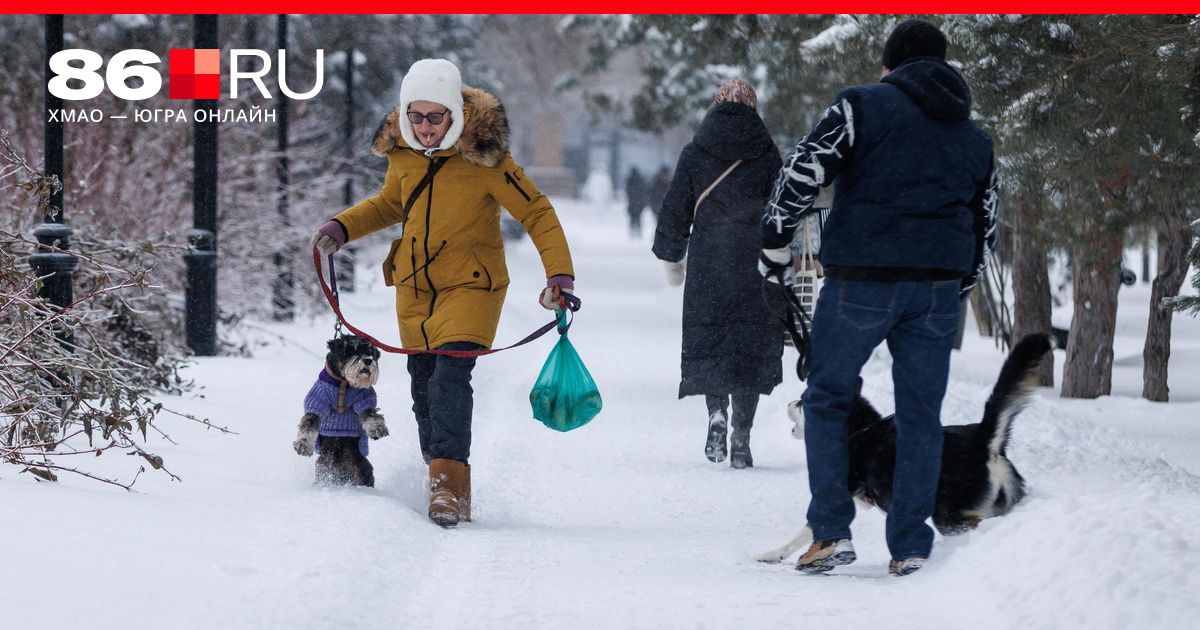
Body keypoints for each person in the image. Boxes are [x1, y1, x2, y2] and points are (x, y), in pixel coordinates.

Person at [758, 20, 999, 575]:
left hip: (862, 279)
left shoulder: (860, 105)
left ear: (890, 67)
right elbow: (986, 219)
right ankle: (911, 545)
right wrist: (960, 281)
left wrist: (773, 240)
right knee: (920, 416)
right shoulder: (976, 136)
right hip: (937, 286)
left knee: (827, 400)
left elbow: (803, 168)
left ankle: (831, 534)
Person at [311, 59, 575, 528]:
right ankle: (438, 472)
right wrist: (344, 225)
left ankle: (448, 491)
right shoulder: (402, 154)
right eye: (416, 115)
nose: (425, 127)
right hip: (415, 291)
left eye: (436, 116)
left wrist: (559, 275)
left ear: (454, 112)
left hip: (471, 286)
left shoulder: (487, 157)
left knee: (450, 379)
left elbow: (535, 211)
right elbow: (392, 203)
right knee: (423, 389)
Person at [652, 79, 785, 469]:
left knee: (713, 342)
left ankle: (716, 414)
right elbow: (783, 207)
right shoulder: (766, 153)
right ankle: (742, 434)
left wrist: (672, 255)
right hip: (755, 264)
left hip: (710, 262)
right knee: (749, 348)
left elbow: (676, 209)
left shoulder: (696, 152)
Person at [625, 167, 649, 238]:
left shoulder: (630, 180)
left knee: (633, 218)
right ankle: (638, 231)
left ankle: (633, 231)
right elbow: (643, 191)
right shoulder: (640, 180)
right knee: (638, 218)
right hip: (638, 203)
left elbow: (628, 191)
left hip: (633, 203)